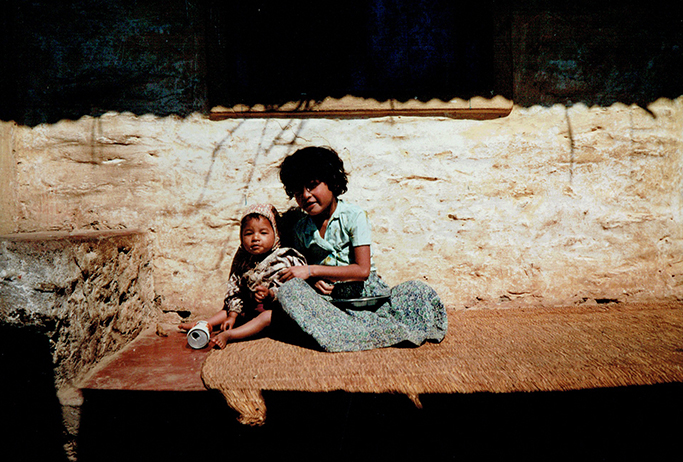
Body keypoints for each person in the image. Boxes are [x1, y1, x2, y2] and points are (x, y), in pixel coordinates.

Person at [276, 146, 448, 352]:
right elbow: (301, 269)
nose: (306, 195)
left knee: (415, 291)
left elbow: (361, 270)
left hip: (362, 294)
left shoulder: (353, 216)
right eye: (298, 191)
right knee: (288, 292)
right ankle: (359, 331)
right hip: (329, 301)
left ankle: (351, 333)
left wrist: (313, 271)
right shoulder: (300, 228)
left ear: (333, 182)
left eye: (312, 185)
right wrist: (313, 281)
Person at [179, 203, 306, 348]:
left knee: (265, 317)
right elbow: (235, 288)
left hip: (275, 312)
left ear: (276, 234)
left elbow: (293, 289)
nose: (255, 238)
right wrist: (232, 315)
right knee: (228, 309)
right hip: (250, 309)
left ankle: (230, 335)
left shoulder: (284, 258)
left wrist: (270, 294)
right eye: (248, 233)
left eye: (263, 233)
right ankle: (205, 324)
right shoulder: (243, 258)